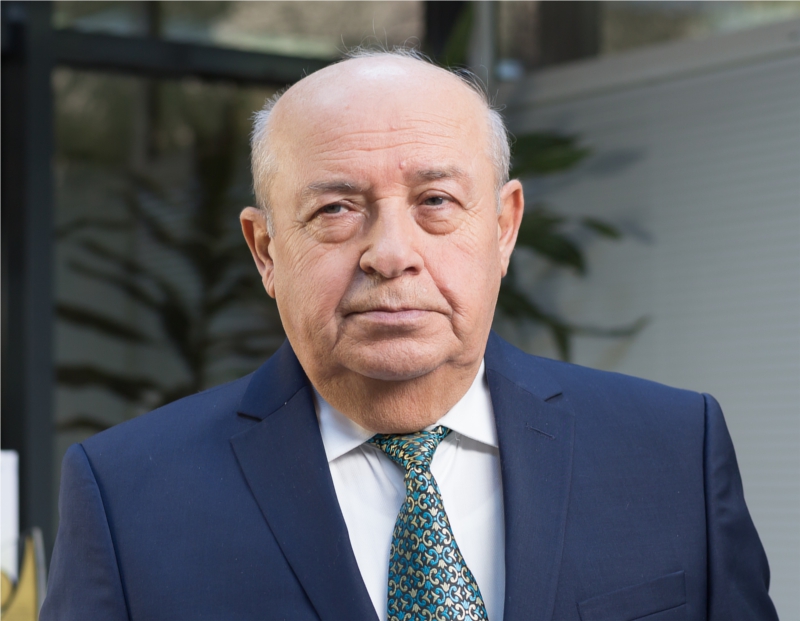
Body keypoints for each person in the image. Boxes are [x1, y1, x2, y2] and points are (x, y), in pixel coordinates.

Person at [41, 49, 777, 621]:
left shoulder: (672, 451)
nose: (391, 253)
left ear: (503, 227)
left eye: (436, 200)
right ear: (265, 250)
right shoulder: (128, 497)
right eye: (335, 209)